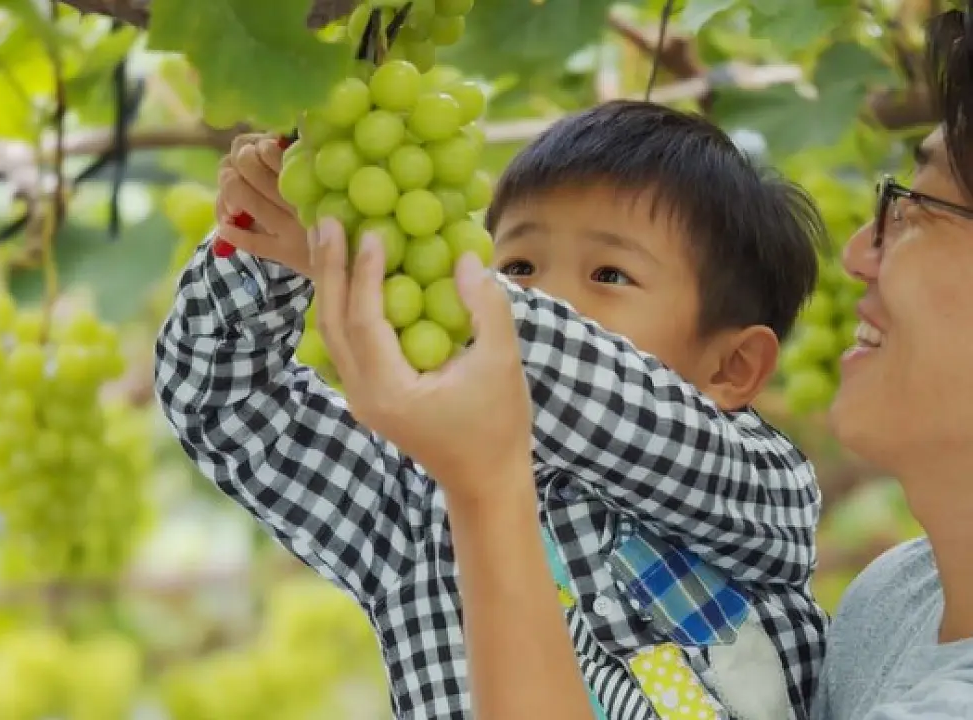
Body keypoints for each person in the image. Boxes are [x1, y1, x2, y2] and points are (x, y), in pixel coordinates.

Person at [305, 7, 973, 720]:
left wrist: (401, 261)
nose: (858, 254)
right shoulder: (893, 601)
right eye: (521, 263)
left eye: (918, 206)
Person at [154, 101, 829, 719]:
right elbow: (223, 401)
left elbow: (597, 393)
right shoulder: (419, 514)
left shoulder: (757, 486)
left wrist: (397, 267)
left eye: (610, 275)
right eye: (517, 267)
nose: (547, 300)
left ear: (731, 368)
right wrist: (264, 250)